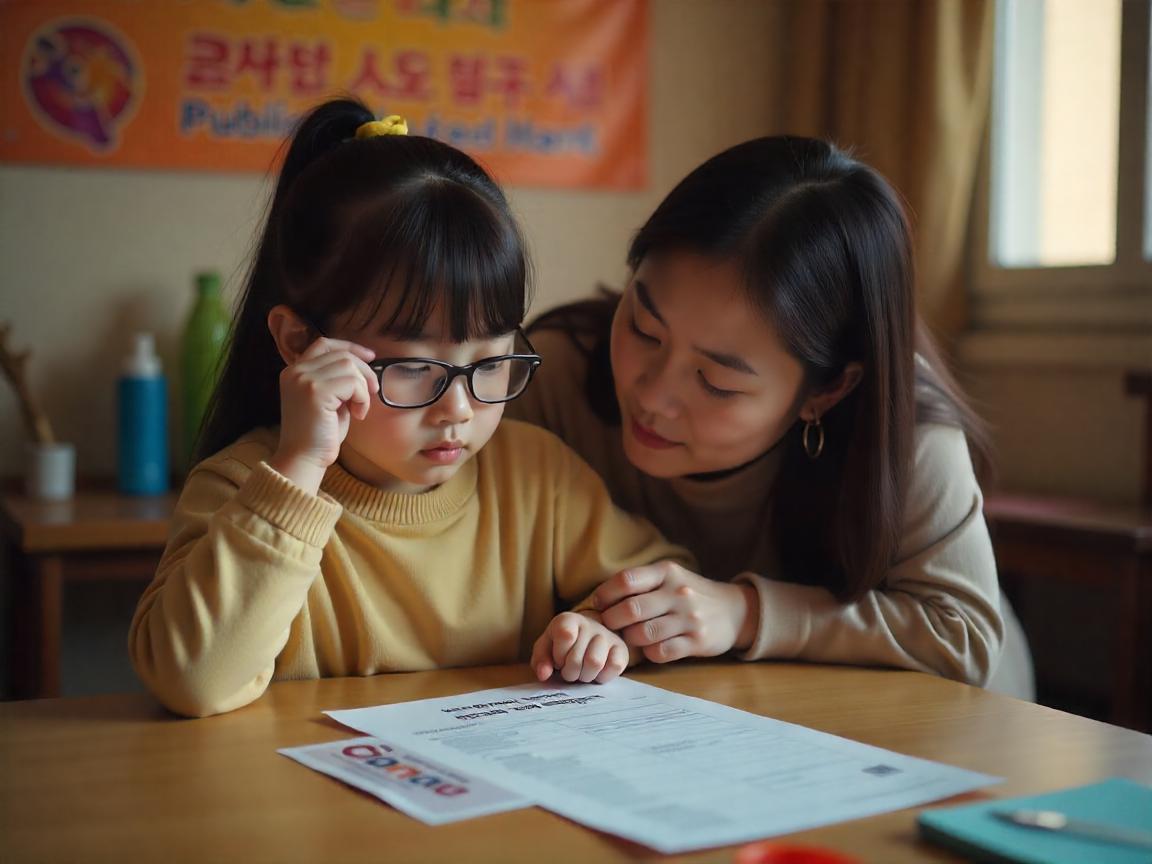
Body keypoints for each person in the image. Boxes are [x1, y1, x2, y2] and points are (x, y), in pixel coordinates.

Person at [129, 99, 691, 718]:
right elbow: (194, 681)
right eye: (416, 368)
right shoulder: (242, 487)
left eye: (489, 363)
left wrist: (598, 629)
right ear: (300, 343)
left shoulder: (538, 479)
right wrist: (299, 468)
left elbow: (667, 589)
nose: (459, 409)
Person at [509, 136, 1034, 698]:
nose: (653, 396)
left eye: (716, 381)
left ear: (828, 389)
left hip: (938, 719)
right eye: (643, 327)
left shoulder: (902, 427)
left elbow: (962, 637)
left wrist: (746, 613)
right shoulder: (557, 377)